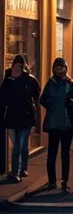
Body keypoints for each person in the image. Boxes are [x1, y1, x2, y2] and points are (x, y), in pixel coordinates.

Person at [0, 55, 40, 183]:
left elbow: (36, 95)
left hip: (22, 116)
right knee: (19, 144)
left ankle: (17, 171)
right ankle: (20, 169)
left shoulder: (27, 80)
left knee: (20, 144)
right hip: (16, 116)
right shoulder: (10, 79)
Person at [39, 58, 73, 192]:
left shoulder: (70, 83)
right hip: (54, 123)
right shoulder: (51, 83)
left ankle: (64, 181)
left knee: (65, 154)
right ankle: (52, 181)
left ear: (66, 69)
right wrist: (51, 105)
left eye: (62, 68)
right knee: (52, 153)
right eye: (58, 68)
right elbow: (42, 99)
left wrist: (72, 102)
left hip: (67, 124)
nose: (60, 71)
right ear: (54, 69)